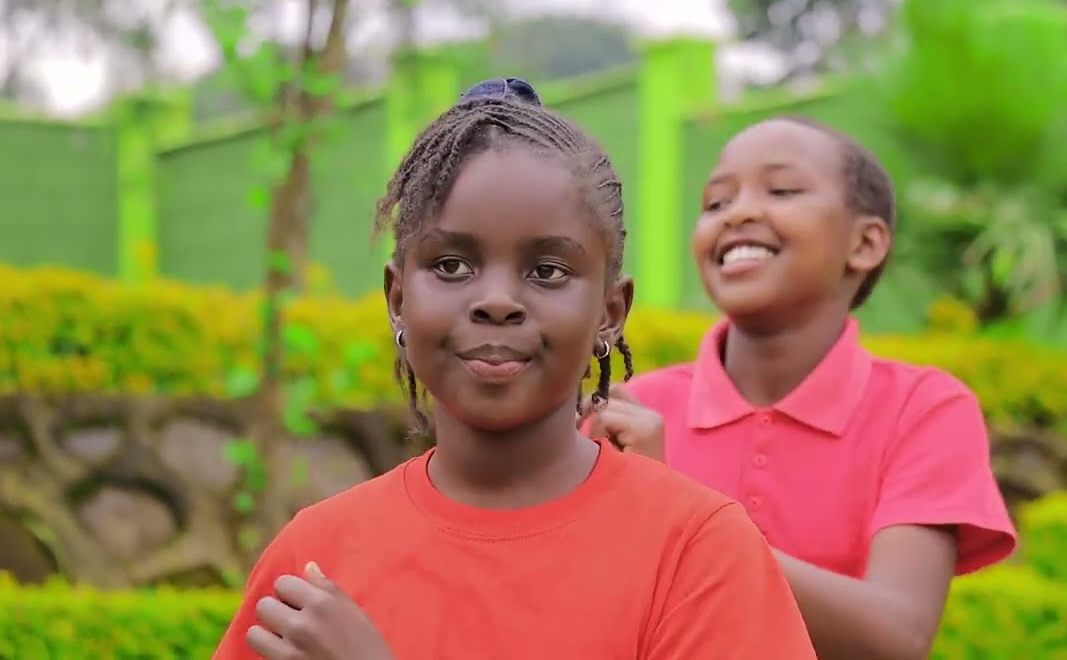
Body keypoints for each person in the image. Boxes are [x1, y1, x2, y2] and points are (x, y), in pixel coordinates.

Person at [210, 82, 819, 660]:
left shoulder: (698, 551)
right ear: (398, 299)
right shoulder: (316, 558)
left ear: (610, 313)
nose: (496, 300)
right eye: (450, 264)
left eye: (547, 270)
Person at [588, 115, 1019, 660]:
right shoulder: (636, 409)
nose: (739, 212)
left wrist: (677, 512)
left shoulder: (924, 408)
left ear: (864, 243)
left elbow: (896, 636)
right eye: (716, 202)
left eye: (783, 190)